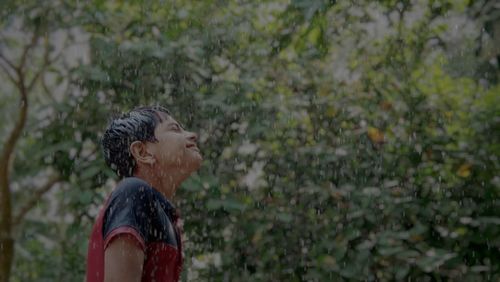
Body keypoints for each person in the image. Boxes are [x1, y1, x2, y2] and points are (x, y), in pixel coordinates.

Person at [86, 106, 202, 282]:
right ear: (142, 152)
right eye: (174, 129)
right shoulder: (133, 192)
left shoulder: (162, 211)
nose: (192, 135)